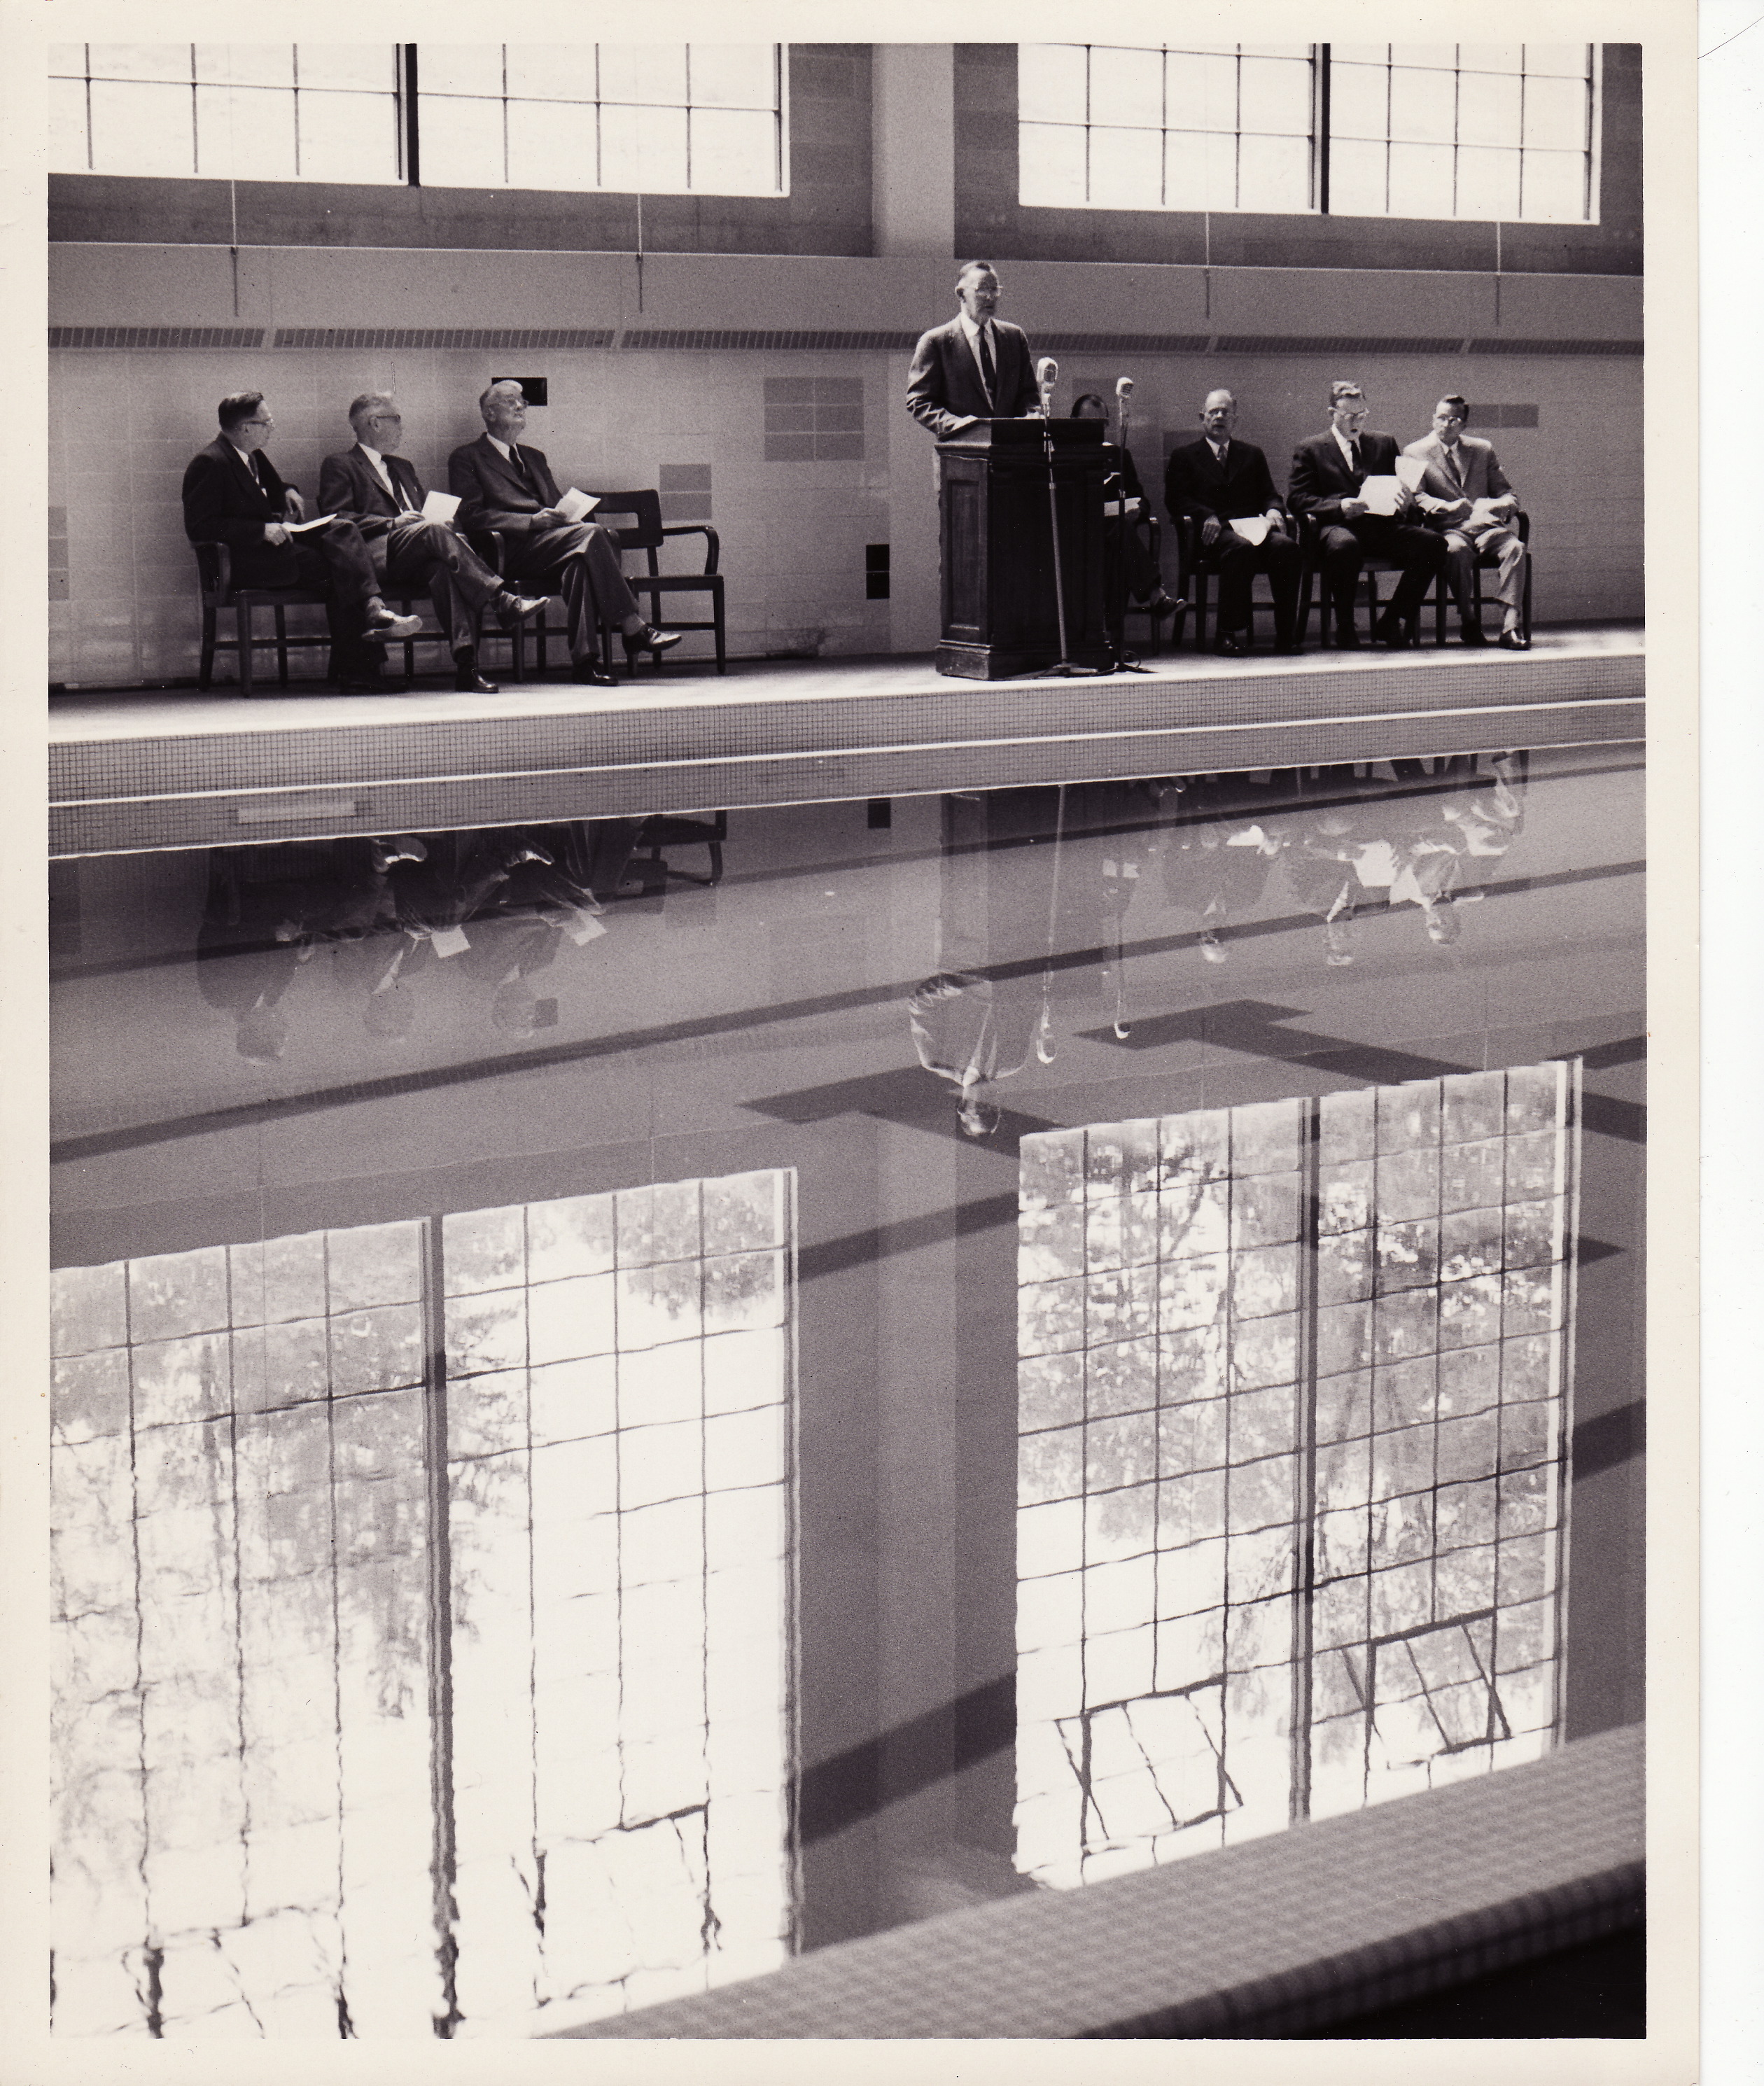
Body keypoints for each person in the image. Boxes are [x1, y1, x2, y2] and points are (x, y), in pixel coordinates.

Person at [182, 391, 423, 694]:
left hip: (275, 553)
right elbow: (199, 526)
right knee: (345, 570)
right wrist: (259, 531)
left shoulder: (252, 456)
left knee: (343, 531)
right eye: (266, 422)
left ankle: (364, 648)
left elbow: (265, 488)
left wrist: (288, 490)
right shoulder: (210, 462)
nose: (272, 427)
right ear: (245, 428)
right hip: (247, 562)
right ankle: (361, 659)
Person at [447, 382, 680, 687]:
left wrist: (565, 515)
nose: (521, 406)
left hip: (552, 545)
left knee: (581, 566)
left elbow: (555, 503)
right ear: (489, 413)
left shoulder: (535, 457)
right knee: (594, 534)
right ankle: (632, 626)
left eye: (523, 402)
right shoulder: (467, 457)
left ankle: (586, 662)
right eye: (510, 402)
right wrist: (531, 521)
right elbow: (472, 516)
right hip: (510, 550)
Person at [317, 394, 546, 693]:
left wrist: (442, 525)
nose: (402, 426)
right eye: (396, 419)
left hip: (416, 549)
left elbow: (425, 518)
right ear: (373, 423)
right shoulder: (341, 464)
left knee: (443, 571)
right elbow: (338, 518)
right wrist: (393, 523)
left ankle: (467, 666)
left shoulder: (403, 467)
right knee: (436, 535)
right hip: (375, 555)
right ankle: (500, 599)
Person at [1287, 381, 1448, 648]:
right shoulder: (1311, 448)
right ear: (1332, 414)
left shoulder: (1384, 443)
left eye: (1362, 415)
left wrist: (1406, 500)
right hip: (1337, 527)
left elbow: (1399, 486)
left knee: (1433, 543)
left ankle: (1391, 620)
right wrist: (1340, 507)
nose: (1357, 422)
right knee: (1345, 546)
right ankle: (1346, 626)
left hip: (1380, 525)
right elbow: (1297, 499)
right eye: (1350, 416)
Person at [1163, 388, 1302, 654]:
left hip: (1253, 529)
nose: (1219, 417)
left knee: (1287, 548)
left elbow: (1270, 493)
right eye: (1213, 412)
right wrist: (1206, 514)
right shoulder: (1184, 456)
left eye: (1225, 412)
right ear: (1202, 417)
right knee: (1240, 549)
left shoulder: (1252, 454)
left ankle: (1287, 634)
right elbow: (1176, 499)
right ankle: (1226, 633)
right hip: (1212, 536)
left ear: (1235, 419)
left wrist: (1274, 509)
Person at [1403, 396, 1530, 650]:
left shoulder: (1482, 449)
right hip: (1450, 528)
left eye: (1454, 419)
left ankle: (1510, 627)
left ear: (1464, 425)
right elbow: (1415, 497)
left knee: (1516, 549)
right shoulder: (1414, 452)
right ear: (1433, 419)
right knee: (1455, 551)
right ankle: (1469, 621)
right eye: (1441, 418)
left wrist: (1499, 504)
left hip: (1487, 528)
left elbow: (1508, 494)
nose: (1447, 424)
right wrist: (1446, 506)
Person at [1070, 394, 1182, 622]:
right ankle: (1154, 596)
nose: (1094, 429)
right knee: (1118, 536)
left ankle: (1108, 638)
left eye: (1100, 424)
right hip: (1074, 537)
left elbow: (1141, 499)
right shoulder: (1062, 456)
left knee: (1117, 540)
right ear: (1072, 422)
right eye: (1087, 423)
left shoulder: (1118, 456)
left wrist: (1137, 510)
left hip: (1110, 538)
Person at [905, 261, 1042, 439]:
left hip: (1009, 452)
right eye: (982, 289)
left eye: (995, 289)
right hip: (961, 453)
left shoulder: (1014, 337)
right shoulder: (936, 342)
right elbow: (919, 401)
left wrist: (1031, 415)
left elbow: (1029, 395)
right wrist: (955, 424)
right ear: (961, 294)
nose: (990, 297)